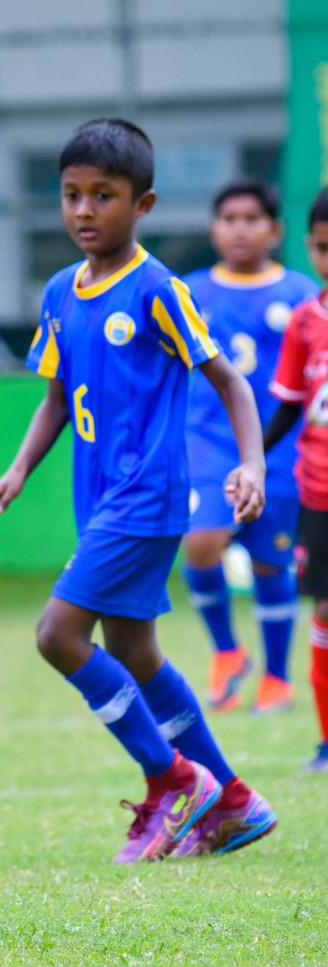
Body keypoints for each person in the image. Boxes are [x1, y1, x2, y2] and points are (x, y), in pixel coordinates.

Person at [0, 118, 277, 862]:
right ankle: (234, 802)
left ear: (141, 205)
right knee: (135, 651)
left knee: (58, 635)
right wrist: (18, 470)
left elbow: (230, 381)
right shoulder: (59, 290)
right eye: (72, 195)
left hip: (146, 498)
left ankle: (173, 780)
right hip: (99, 501)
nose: (84, 211)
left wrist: (252, 463)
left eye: (103, 196)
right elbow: (55, 397)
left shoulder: (156, 290)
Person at [180, 178, 317, 715]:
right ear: (214, 228)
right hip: (209, 445)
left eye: (252, 219)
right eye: (229, 218)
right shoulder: (188, 291)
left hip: (280, 449)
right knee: (201, 541)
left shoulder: (300, 293)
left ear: (275, 230)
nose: (240, 229)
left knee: (270, 562)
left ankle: (277, 680)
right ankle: (227, 651)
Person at [261, 186, 328, 773]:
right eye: (326, 248)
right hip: (319, 492)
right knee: (325, 614)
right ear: (311, 247)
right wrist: (251, 457)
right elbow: (287, 405)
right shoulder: (306, 321)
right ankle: (327, 741)